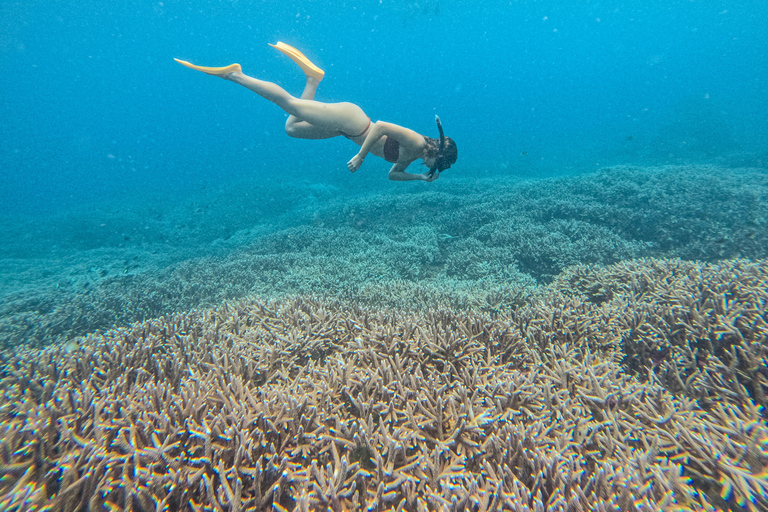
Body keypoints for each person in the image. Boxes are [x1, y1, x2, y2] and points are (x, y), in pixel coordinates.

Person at [175, 42, 457, 182]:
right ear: (438, 155)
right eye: (435, 167)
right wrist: (360, 156)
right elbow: (381, 126)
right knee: (290, 105)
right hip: (353, 121)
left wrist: (419, 179)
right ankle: (236, 75)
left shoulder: (414, 157)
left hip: (344, 132)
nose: (432, 170)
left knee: (292, 128)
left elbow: (392, 175)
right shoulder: (417, 142)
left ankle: (312, 78)